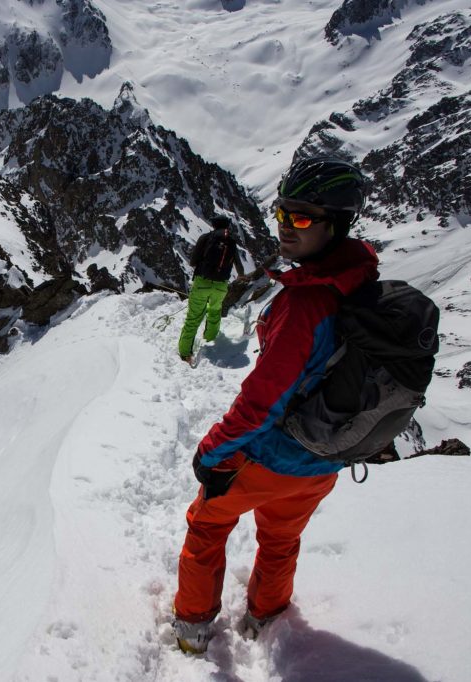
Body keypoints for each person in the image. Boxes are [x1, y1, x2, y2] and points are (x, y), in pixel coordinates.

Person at [171, 156, 379, 654]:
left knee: (207, 525)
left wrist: (212, 450)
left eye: (302, 217)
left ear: (337, 223)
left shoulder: (306, 302)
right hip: (325, 457)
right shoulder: (358, 282)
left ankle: (193, 630)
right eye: (283, 213)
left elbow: (262, 400)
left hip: (272, 456)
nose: (287, 226)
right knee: (281, 540)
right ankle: (267, 621)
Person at [177, 216, 247, 363]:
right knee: (214, 312)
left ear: (213, 225)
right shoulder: (231, 242)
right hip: (221, 286)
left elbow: (192, 261)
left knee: (194, 318)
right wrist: (241, 277)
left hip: (202, 282)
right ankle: (210, 340)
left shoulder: (206, 238)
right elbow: (239, 268)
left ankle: (185, 353)